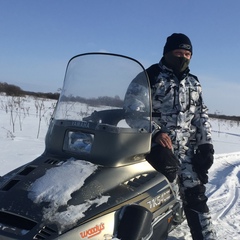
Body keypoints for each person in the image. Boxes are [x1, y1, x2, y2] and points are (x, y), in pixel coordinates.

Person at [124, 33, 216, 240]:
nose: (183, 57)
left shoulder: (194, 82)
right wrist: (155, 132)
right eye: (178, 52)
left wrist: (205, 145)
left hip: (185, 151)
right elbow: (132, 110)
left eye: (187, 54)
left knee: (196, 195)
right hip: (153, 148)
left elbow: (201, 116)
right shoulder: (149, 76)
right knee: (158, 197)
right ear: (167, 53)